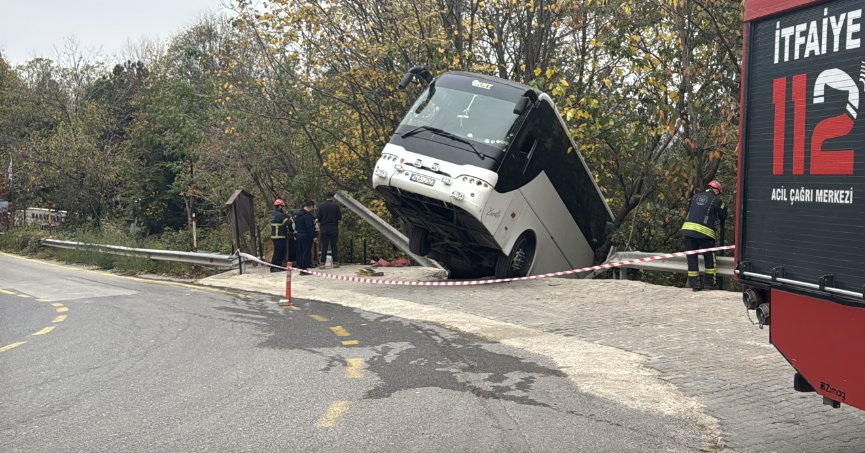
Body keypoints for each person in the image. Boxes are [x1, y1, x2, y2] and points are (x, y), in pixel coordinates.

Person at [681, 180, 728, 291]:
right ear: (716, 190)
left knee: (692, 257)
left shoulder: (695, 197)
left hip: (688, 231)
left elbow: (688, 211)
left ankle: (695, 285)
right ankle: (709, 283)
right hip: (705, 233)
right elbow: (724, 215)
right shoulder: (716, 200)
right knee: (709, 257)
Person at [316, 193, 342, 269]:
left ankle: (322, 264)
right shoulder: (336, 206)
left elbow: (318, 218)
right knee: (334, 246)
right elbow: (339, 217)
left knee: (324, 246)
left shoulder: (321, 206)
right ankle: (335, 263)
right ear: (332, 198)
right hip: (334, 228)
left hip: (324, 229)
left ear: (326, 198)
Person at [294, 199, 316, 274]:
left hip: (299, 235)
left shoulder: (298, 215)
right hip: (306, 235)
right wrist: (314, 236)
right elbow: (310, 227)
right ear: (311, 206)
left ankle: (300, 267)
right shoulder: (308, 216)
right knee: (306, 252)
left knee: (300, 252)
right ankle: (304, 269)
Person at [269, 199, 291, 272]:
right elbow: (287, 222)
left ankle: (278, 265)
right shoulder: (279, 214)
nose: (283, 208)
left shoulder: (276, 213)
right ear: (280, 206)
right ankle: (274, 267)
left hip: (280, 235)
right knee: (278, 252)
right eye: (283, 207)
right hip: (278, 236)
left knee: (282, 251)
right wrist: (291, 219)